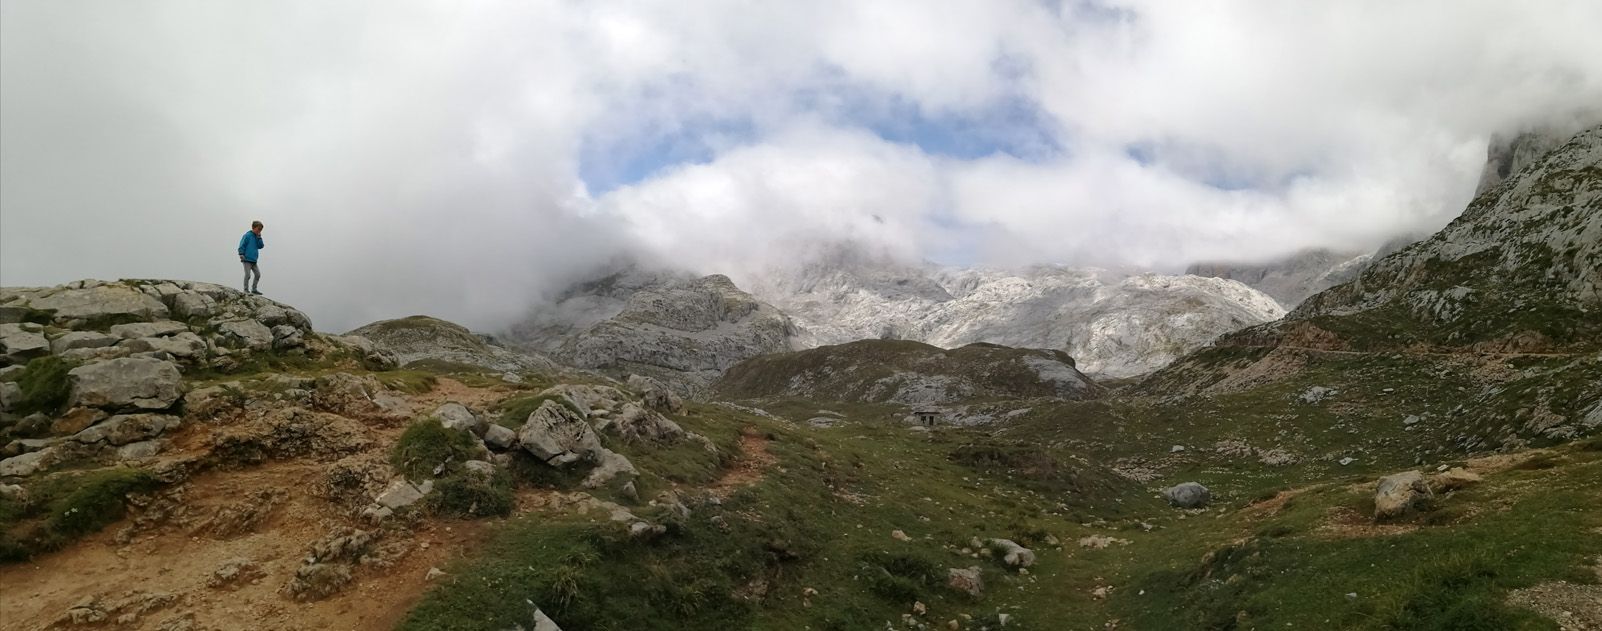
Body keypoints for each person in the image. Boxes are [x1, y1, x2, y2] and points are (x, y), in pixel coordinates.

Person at [237, 221, 265, 295]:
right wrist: (241, 253)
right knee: (248, 275)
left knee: (258, 274)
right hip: (246, 259)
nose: (259, 231)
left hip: (254, 260)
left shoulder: (257, 237)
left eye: (261, 230)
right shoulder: (247, 235)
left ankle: (254, 289)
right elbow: (242, 245)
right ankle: (246, 290)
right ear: (253, 227)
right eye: (258, 229)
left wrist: (259, 237)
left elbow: (261, 246)